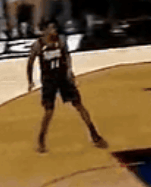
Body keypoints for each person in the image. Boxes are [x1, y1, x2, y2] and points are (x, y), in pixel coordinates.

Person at [27, 20, 107, 153]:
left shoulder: (61, 40)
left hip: (63, 78)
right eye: (51, 28)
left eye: (55, 28)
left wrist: (70, 71)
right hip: (49, 81)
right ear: (44, 30)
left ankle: (94, 134)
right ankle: (41, 139)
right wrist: (30, 81)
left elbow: (67, 56)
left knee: (79, 105)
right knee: (49, 111)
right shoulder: (38, 45)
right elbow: (30, 63)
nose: (54, 30)